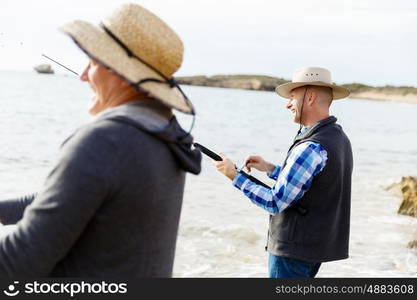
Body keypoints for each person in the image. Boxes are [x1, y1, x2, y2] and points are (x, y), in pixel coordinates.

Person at [0, 3, 201, 277]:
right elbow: (72, 197)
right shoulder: (164, 137)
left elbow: (18, 261)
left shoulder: (105, 141)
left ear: (122, 74)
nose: (83, 75)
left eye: (92, 62)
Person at [214, 67, 353, 278]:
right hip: (312, 250)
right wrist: (270, 169)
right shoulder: (338, 137)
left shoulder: (311, 147)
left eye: (292, 97)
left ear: (311, 97)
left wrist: (235, 176)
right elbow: (315, 183)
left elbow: (275, 201)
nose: (287, 104)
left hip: (293, 252)